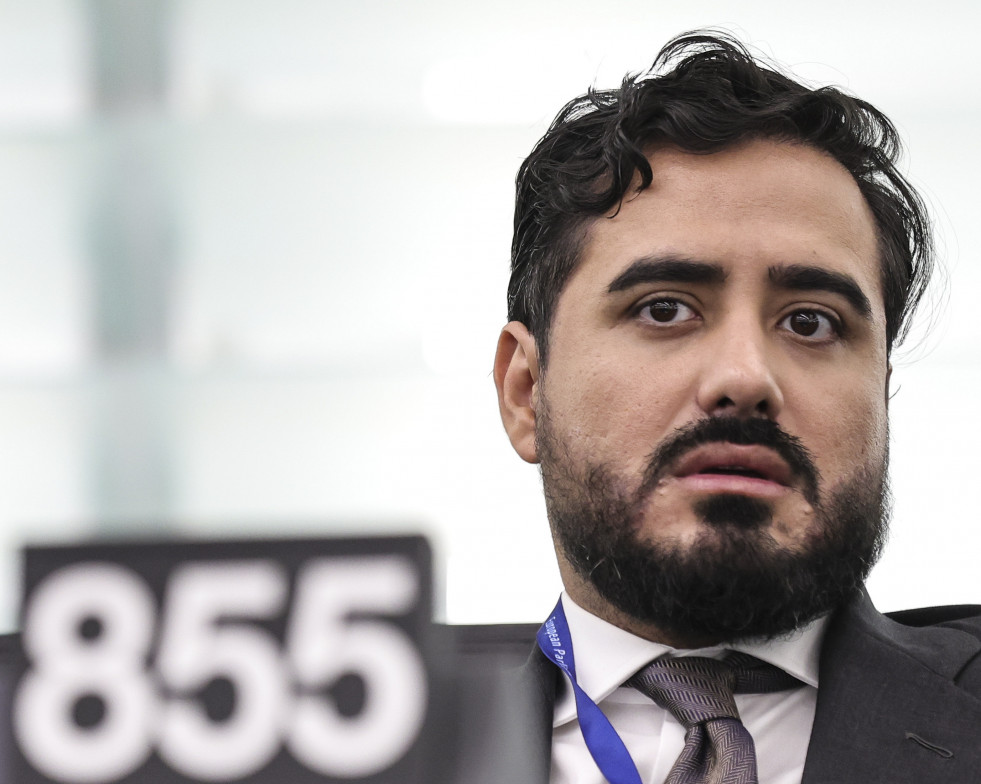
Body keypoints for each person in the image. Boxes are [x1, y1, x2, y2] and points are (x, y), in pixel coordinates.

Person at [482, 30, 981, 784]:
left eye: (808, 321)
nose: (745, 377)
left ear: (880, 394)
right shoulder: (348, 744)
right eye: (663, 309)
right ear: (525, 393)